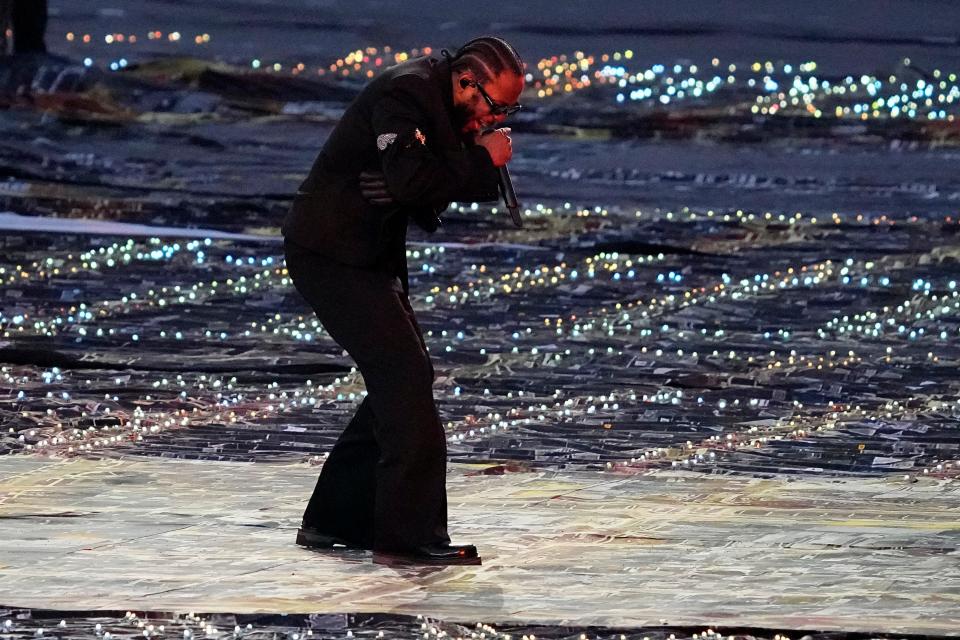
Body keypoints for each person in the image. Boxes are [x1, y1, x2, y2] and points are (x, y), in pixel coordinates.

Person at [282, 36, 524, 566]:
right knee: (405, 378)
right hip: (329, 254)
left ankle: (332, 520)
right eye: (496, 105)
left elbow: (410, 182)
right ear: (466, 82)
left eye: (509, 110)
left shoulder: (438, 100)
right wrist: (478, 163)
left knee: (400, 382)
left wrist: (417, 181)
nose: (497, 119)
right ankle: (408, 536)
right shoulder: (405, 95)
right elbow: (412, 177)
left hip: (370, 255)